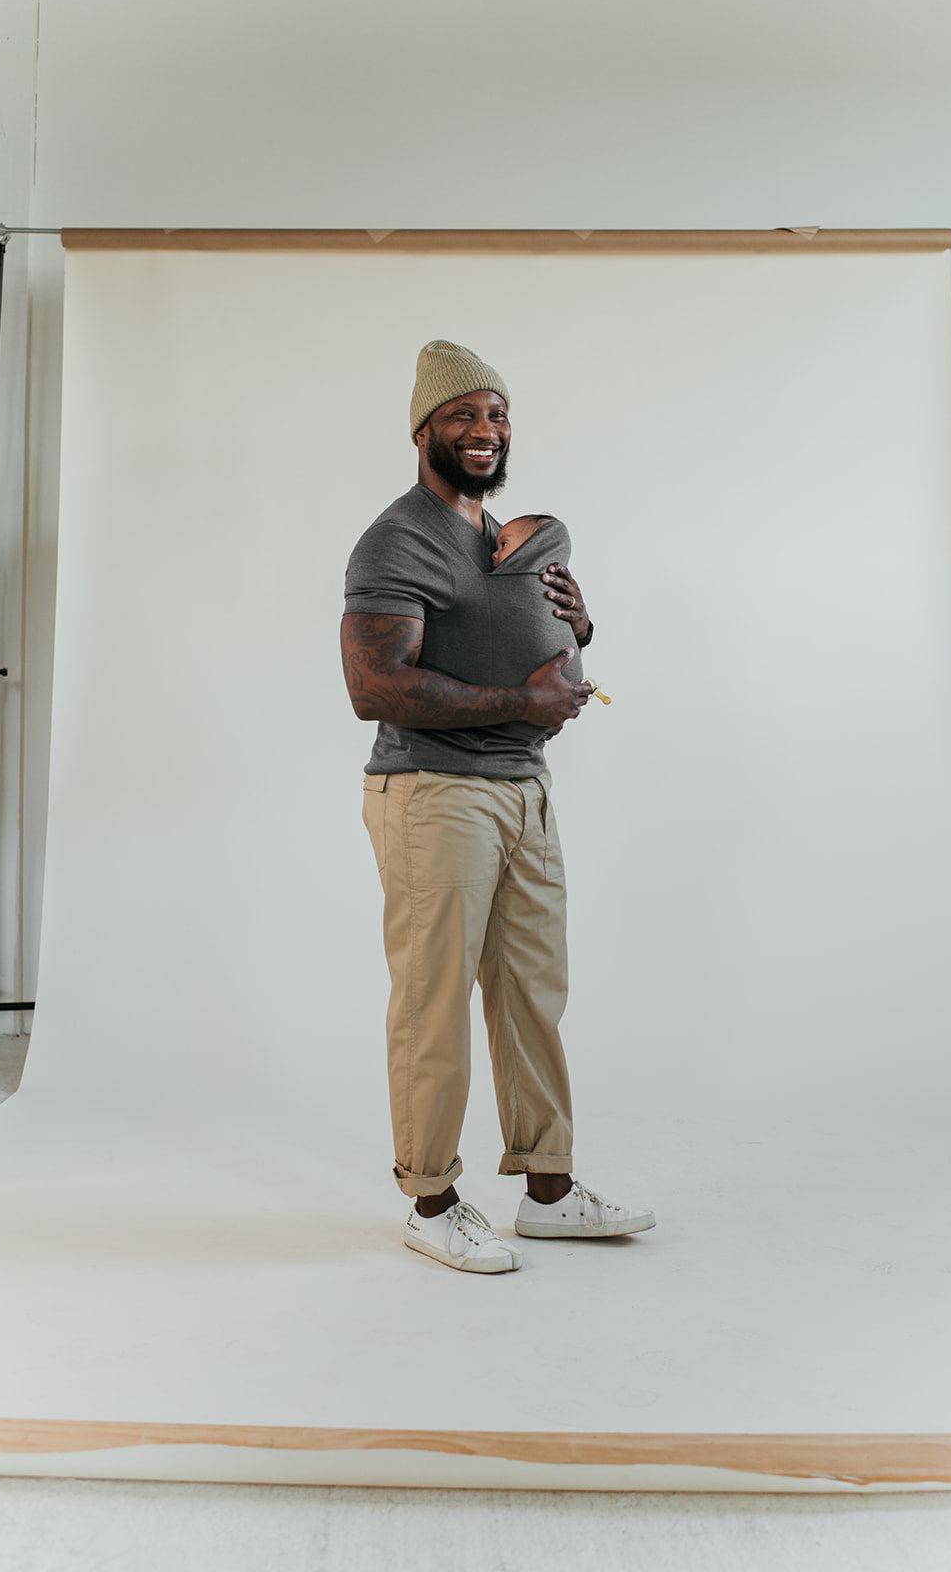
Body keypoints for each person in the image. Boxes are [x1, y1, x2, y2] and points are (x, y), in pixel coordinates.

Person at [340, 339, 654, 1274]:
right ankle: (430, 1200)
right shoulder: (397, 539)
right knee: (434, 999)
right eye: (465, 416)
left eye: (498, 414)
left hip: (524, 793)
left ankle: (549, 1193)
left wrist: (578, 628)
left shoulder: (507, 538)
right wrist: (525, 700)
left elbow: (521, 635)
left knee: (530, 996)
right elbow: (374, 685)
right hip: (435, 792)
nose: (486, 431)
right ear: (424, 429)